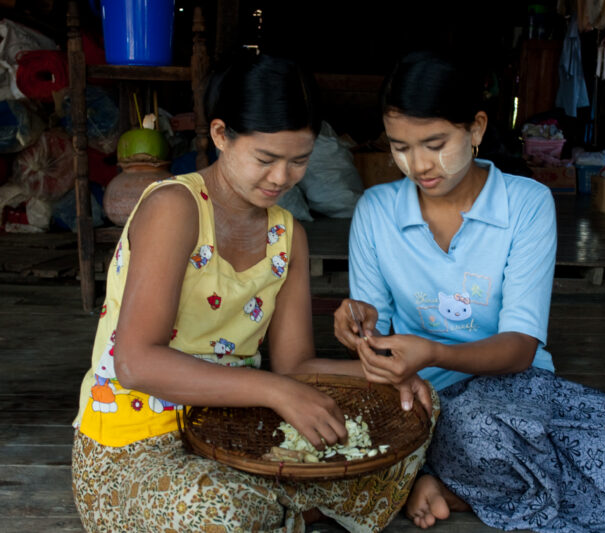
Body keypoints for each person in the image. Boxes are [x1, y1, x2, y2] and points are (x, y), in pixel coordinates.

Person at [334, 51, 605, 533]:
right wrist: (359, 323)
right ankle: (476, 480)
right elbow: (375, 331)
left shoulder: (526, 203)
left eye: (435, 144)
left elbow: (519, 349)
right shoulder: (376, 210)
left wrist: (433, 350)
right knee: (476, 429)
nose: (418, 165)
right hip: (418, 399)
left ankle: (447, 485)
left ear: (475, 129)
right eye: (400, 147)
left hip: (518, 390)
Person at [71, 53, 434, 533]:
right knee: (218, 512)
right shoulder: (175, 207)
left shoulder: (288, 236)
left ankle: (276, 507)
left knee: (417, 403)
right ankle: (281, 508)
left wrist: (382, 378)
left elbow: (295, 367)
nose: (282, 178)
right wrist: (275, 390)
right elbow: (135, 363)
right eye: (266, 159)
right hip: (135, 448)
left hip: (239, 434)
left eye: (299, 160)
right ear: (221, 135)